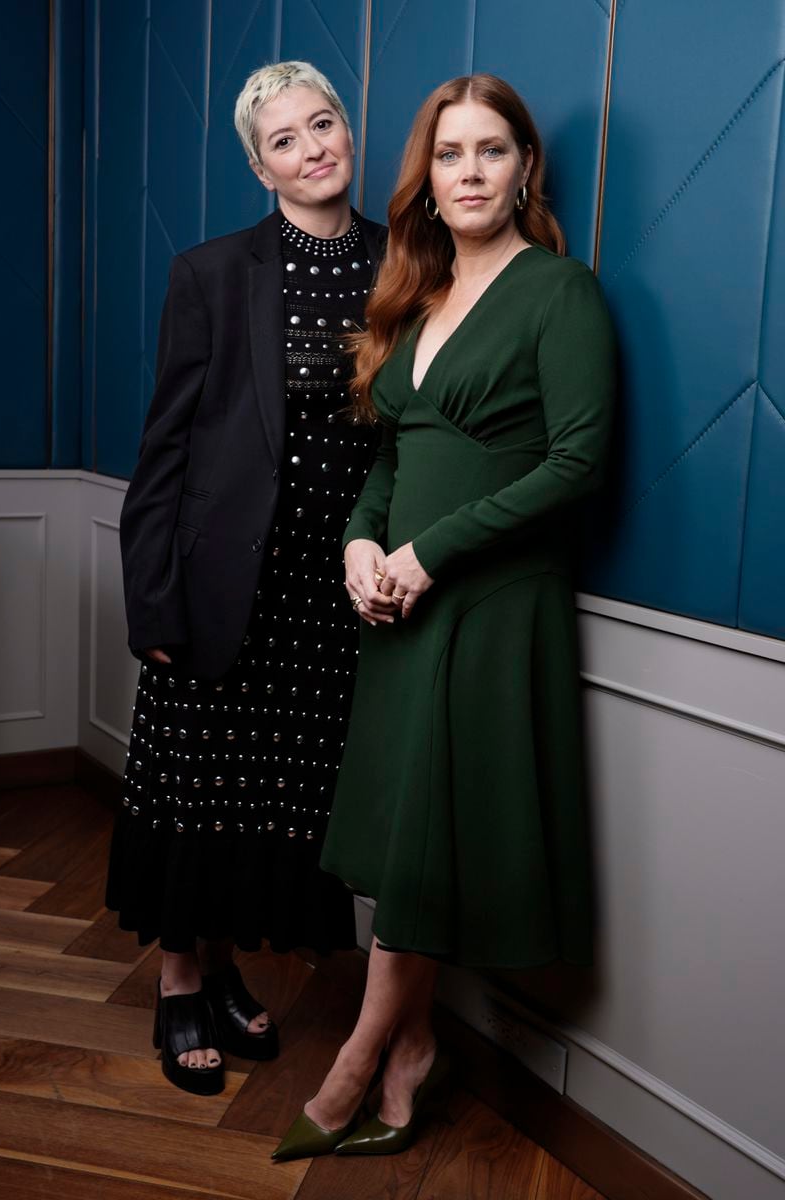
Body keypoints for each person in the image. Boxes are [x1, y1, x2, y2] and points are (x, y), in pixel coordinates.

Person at [273, 73, 616, 1160]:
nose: (468, 173)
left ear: (524, 171)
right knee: (404, 837)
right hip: (400, 608)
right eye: (449, 154)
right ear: (425, 176)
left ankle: (356, 1063)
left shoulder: (560, 293)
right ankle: (414, 1048)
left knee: (427, 843)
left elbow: (575, 465)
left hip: (490, 607)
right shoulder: (413, 295)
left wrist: (428, 552)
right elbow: (389, 456)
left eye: (491, 151)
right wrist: (360, 547)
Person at [106, 61, 386, 1096]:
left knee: (270, 800)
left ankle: (223, 972)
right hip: (219, 586)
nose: (313, 148)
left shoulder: (405, 269)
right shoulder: (212, 272)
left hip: (333, 601)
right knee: (195, 788)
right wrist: (154, 604)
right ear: (258, 163)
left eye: (324, 125)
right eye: (285, 139)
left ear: (347, 132)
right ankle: (180, 982)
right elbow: (164, 454)